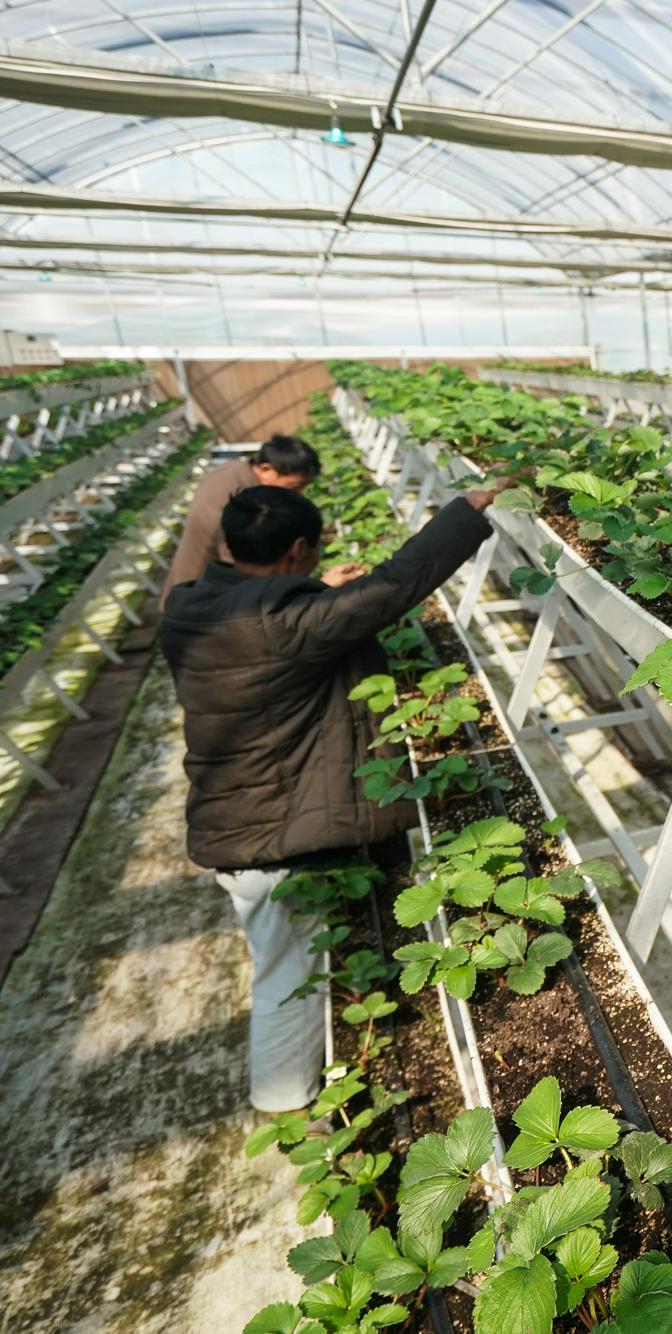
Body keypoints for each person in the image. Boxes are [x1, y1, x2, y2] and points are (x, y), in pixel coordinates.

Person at [160, 481, 503, 1111]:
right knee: (286, 977)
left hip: (235, 817)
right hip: (272, 838)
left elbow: (275, 626)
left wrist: (324, 594)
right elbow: (396, 586)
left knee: (287, 961)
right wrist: (468, 508)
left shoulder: (190, 606)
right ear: (297, 550)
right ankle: (285, 1105)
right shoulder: (290, 625)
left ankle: (299, 1091)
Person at [162, 434, 324, 607]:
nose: (299, 494)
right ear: (266, 469)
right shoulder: (240, 504)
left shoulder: (236, 470)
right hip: (200, 597)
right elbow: (247, 573)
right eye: (295, 487)